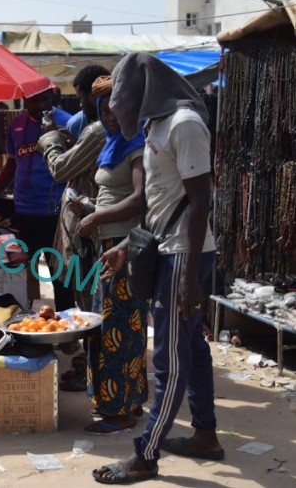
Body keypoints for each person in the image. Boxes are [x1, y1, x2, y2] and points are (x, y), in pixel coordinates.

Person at [93, 52, 222, 484]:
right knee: (194, 349)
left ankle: (145, 455)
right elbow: (161, 202)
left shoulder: (184, 123)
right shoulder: (157, 124)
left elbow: (200, 199)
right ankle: (205, 434)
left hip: (184, 254)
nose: (121, 109)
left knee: (170, 358)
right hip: (166, 247)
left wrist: (187, 279)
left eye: (123, 99)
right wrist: (129, 245)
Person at [70, 75, 149, 434]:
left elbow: (140, 198)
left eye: (118, 107)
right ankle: (128, 402)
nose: (112, 114)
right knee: (118, 325)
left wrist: (98, 216)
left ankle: (120, 412)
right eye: (105, 108)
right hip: (108, 245)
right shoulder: (113, 143)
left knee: (117, 327)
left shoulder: (135, 142)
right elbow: (111, 194)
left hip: (124, 248)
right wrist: (89, 208)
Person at [36, 65, 109, 392]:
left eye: (82, 98)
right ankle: (92, 365)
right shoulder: (101, 129)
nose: (80, 106)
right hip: (88, 228)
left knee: (90, 305)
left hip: (88, 233)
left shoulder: (98, 131)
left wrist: (50, 138)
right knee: (89, 303)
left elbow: (61, 168)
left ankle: (94, 370)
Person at [0, 88, 76, 312]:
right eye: (34, 100)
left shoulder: (68, 122)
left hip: (54, 212)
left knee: (60, 274)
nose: (39, 105)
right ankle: (23, 324)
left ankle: (68, 330)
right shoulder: (16, 125)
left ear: (53, 98)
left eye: (44, 99)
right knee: (21, 272)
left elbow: (75, 163)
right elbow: (12, 164)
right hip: (24, 212)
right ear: (25, 100)